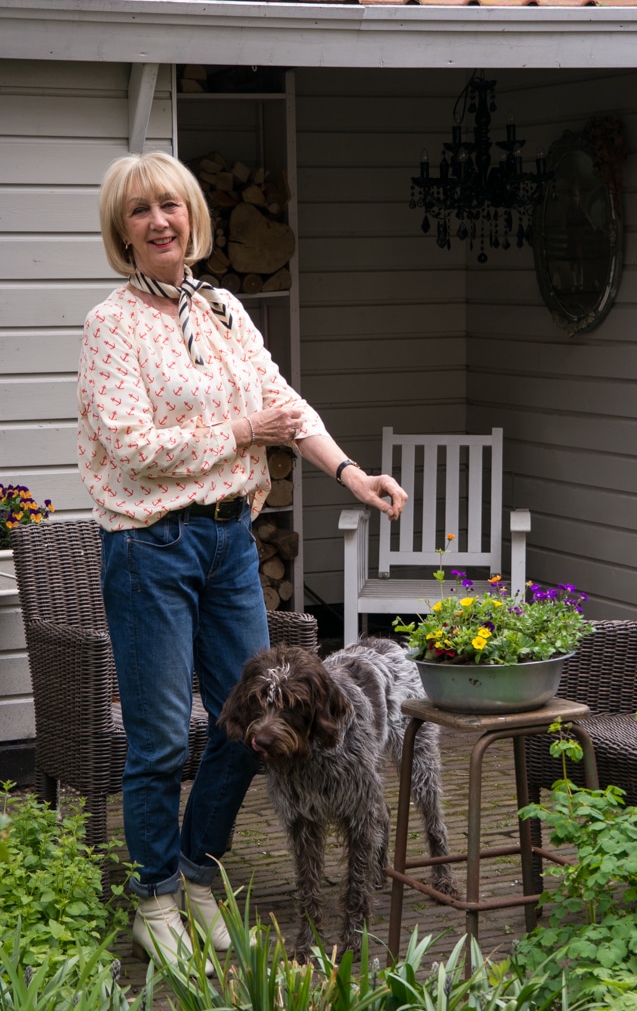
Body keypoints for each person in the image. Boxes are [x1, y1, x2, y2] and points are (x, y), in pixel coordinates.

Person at [76, 150, 407, 972]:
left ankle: (197, 873)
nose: (159, 221)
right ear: (123, 230)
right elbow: (132, 446)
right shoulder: (111, 324)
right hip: (149, 546)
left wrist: (351, 472)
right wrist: (237, 433)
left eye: (171, 205)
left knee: (240, 730)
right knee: (158, 738)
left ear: (193, 216)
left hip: (229, 542)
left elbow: (285, 407)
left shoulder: (223, 310)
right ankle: (154, 894)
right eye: (140, 210)